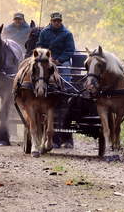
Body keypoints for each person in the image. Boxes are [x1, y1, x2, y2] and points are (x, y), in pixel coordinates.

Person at [37, 11, 75, 149]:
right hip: (46, 58)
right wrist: (47, 57)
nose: (57, 22)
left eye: (59, 20)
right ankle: (40, 86)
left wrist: (59, 60)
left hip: (61, 60)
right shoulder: (44, 32)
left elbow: (70, 50)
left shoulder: (67, 34)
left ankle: (63, 90)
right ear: (51, 21)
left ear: (61, 21)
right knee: (40, 68)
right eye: (55, 20)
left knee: (65, 68)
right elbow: (39, 45)